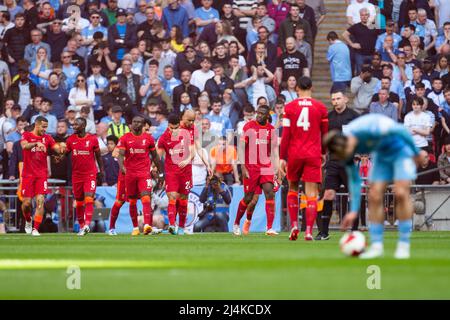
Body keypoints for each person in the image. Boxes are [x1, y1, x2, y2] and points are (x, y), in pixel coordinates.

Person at [326, 114, 422, 259]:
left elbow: (400, 130)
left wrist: (416, 152)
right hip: (381, 157)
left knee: (401, 193)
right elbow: (354, 181)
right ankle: (377, 246)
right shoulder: (345, 149)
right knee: (374, 195)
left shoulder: (367, 127)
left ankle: (403, 245)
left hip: (400, 151)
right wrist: (353, 211)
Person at [279, 76, 328, 241]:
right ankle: (308, 231)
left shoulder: (289, 107)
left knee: (293, 188)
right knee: (311, 193)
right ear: (311, 88)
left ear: (297, 88)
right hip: (313, 153)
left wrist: (281, 157)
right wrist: (323, 152)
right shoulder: (320, 108)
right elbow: (325, 134)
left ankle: (294, 225)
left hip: (295, 153)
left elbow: (285, 135)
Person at [317, 90, 359, 240]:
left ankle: (354, 231)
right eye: (333, 99)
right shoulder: (328, 118)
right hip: (333, 162)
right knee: (328, 195)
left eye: (338, 98)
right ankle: (324, 232)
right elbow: (323, 138)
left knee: (353, 195)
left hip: (349, 162)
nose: (335, 101)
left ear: (346, 99)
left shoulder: (354, 116)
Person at [234, 105, 279, 236]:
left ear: (267, 116)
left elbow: (274, 151)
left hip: (266, 167)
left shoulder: (271, 130)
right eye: (258, 113)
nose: (259, 115)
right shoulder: (249, 127)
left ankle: (269, 228)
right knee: (248, 198)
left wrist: (276, 169)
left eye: (262, 114)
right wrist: (242, 166)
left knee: (270, 194)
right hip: (251, 167)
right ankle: (236, 223)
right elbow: (241, 147)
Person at [115, 116, 163, 236]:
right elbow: (120, 155)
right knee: (132, 201)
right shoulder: (125, 138)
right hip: (130, 174)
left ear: (143, 125)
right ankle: (135, 227)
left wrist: (161, 173)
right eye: (134, 122)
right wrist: (122, 168)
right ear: (131, 124)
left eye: (139, 122)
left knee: (146, 197)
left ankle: (147, 225)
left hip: (144, 173)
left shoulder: (148, 138)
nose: (136, 124)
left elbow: (155, 157)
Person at [20, 116, 64, 236]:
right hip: (28, 175)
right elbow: (24, 146)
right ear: (36, 125)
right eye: (43, 127)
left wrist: (61, 150)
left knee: (40, 201)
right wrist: (35, 143)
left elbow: (56, 148)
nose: (45, 129)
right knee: (26, 204)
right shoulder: (27, 135)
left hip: (41, 175)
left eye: (46, 127)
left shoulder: (48, 138)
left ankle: (35, 229)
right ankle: (28, 220)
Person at [60, 117, 105, 236]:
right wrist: (59, 157)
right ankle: (82, 226)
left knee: (89, 198)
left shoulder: (92, 139)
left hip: (90, 174)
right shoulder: (70, 140)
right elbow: (65, 154)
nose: (73, 126)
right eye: (73, 124)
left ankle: (87, 224)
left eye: (76, 125)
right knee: (79, 202)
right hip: (76, 175)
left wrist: (101, 170)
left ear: (83, 126)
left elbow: (98, 156)